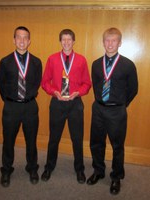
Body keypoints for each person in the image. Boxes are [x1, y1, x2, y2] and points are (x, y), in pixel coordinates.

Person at [87, 27, 138, 194]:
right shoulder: (95, 64)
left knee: (117, 146)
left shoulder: (128, 65)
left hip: (117, 111)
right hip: (99, 109)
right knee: (96, 142)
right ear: (103, 43)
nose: (110, 44)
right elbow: (96, 85)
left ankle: (116, 177)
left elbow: (133, 89)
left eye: (114, 40)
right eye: (107, 40)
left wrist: (121, 104)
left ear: (120, 43)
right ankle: (99, 171)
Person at [41, 29, 91, 184]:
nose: (67, 42)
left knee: (77, 139)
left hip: (75, 104)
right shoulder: (52, 59)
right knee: (54, 138)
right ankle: (49, 167)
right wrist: (54, 92)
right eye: (64, 39)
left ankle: (80, 169)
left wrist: (78, 93)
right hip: (57, 103)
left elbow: (87, 84)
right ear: (60, 41)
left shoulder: (81, 60)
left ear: (74, 41)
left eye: (69, 39)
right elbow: (44, 82)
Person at [0, 26, 42, 187]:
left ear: (29, 41)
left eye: (25, 38)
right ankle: (6, 170)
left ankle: (32, 168)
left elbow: (37, 83)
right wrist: (10, 100)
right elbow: (0, 83)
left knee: (31, 140)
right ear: (14, 40)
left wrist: (27, 97)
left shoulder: (36, 62)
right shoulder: (5, 61)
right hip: (11, 107)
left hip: (30, 107)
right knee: (8, 140)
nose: (22, 40)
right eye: (18, 37)